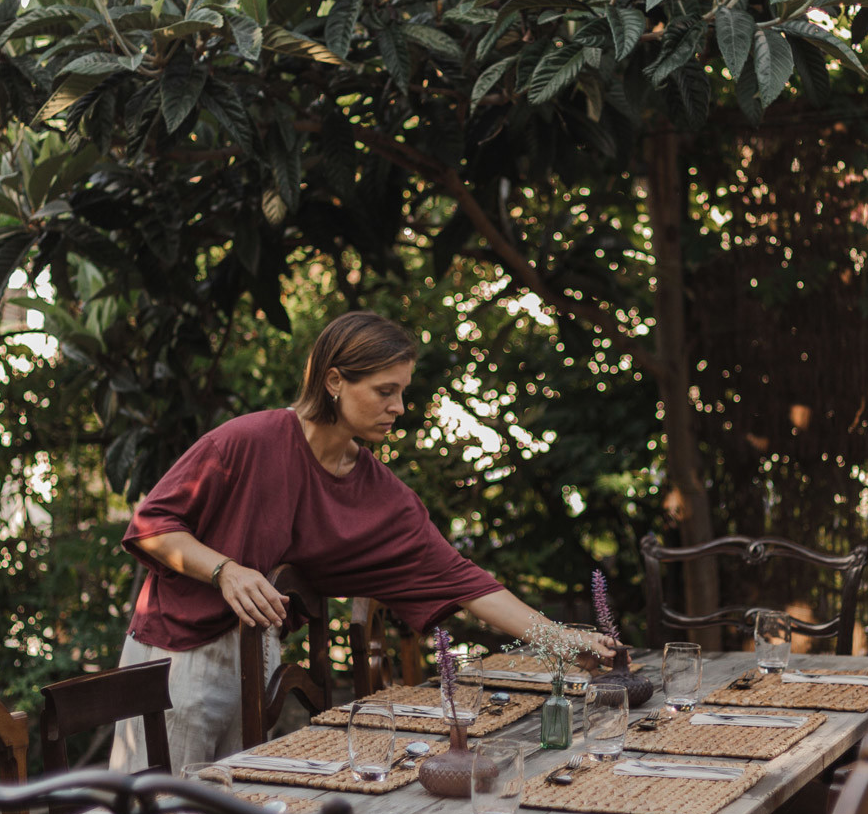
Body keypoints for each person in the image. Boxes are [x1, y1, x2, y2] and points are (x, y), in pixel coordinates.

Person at [110, 310, 610, 772]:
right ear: (334, 381)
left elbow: (463, 580)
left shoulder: (378, 492)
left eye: (402, 392)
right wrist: (226, 569)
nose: (399, 407)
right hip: (177, 653)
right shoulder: (248, 440)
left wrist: (561, 641)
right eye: (384, 391)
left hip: (256, 650)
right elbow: (152, 525)